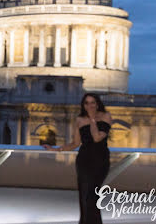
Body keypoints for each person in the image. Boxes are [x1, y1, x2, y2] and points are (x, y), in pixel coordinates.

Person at [44, 93, 112, 224]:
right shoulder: (79, 119)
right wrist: (56, 149)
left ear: (97, 104)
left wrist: (92, 119)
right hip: (84, 160)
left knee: (92, 195)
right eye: (87, 103)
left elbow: (97, 137)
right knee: (84, 196)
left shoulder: (106, 116)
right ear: (83, 105)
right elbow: (75, 143)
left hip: (100, 160)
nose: (90, 105)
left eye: (92, 102)